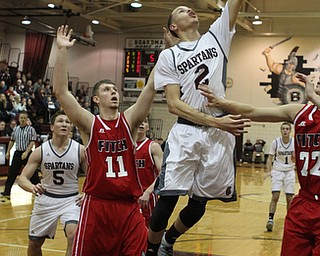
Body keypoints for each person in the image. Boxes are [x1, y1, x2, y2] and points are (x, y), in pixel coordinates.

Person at [53, 25, 247, 256]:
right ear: (96, 99)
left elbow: (150, 87)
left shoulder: (129, 120)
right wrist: (62, 50)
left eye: (115, 89)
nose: (114, 92)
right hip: (97, 203)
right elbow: (61, 92)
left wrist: (167, 54)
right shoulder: (90, 124)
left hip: (128, 205)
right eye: (107, 90)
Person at [148, 1, 248, 255]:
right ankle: (150, 250)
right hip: (187, 131)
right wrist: (218, 122)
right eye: (181, 10)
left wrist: (219, 124)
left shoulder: (216, 36)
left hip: (217, 135)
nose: (189, 10)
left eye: (189, 8)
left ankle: (168, 242)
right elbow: (173, 104)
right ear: (173, 26)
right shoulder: (168, 55)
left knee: (199, 203)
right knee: (167, 199)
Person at [197, 73, 320, 256]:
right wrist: (222, 102)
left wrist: (314, 97)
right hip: (304, 203)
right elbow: (252, 112)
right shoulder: (300, 112)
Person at [17, 110, 86, 256]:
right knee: (34, 244)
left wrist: (87, 192)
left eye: (68, 122)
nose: (64, 124)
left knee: (74, 237)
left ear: (71, 127)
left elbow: (94, 176)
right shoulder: (40, 151)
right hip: (46, 198)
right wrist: (32, 187)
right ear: (52, 127)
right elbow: (22, 179)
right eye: (60, 121)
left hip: (71, 199)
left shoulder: (80, 150)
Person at [0, 111, 40, 200]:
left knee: (33, 173)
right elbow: (12, 140)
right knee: (12, 173)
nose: (22, 120)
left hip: (28, 153)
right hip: (18, 153)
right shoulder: (16, 129)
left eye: (24, 118)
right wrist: (8, 151)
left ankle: (39, 191)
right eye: (21, 118)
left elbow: (32, 142)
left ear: (27, 119)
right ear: (19, 119)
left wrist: (26, 152)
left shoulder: (31, 129)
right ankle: (7, 192)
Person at [265, 122, 295, 232]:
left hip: (290, 171)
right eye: (283, 129)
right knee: (275, 196)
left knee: (289, 198)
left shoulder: (294, 142)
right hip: (277, 171)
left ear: (290, 131)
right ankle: (270, 219)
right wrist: (269, 172)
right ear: (281, 130)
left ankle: (290, 221)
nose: (285, 131)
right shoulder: (275, 142)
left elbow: (298, 158)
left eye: (287, 129)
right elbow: (269, 158)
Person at [136, 117, 163, 228]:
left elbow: (162, 173)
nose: (142, 123)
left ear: (147, 127)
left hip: (147, 196)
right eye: (139, 121)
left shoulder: (153, 147)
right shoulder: (125, 145)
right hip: (129, 196)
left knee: (148, 229)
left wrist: (147, 192)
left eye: (145, 122)